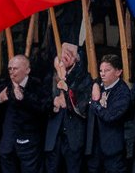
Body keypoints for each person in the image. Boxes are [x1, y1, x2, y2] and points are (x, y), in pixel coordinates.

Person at [0, 54, 52, 173]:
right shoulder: (6, 85)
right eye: (10, 68)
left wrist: (24, 98)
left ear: (27, 70)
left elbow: (44, 108)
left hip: (29, 142)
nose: (12, 72)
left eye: (15, 68)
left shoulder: (38, 85)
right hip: (8, 144)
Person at [45, 44, 90, 173]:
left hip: (73, 136)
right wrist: (53, 103)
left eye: (70, 53)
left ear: (77, 58)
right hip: (54, 136)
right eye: (63, 52)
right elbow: (41, 101)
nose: (66, 55)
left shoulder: (83, 78)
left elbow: (82, 105)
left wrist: (67, 86)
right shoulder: (51, 78)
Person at [83, 56, 129, 173]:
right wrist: (95, 85)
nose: (102, 74)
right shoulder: (98, 85)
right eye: (101, 70)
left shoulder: (123, 91)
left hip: (113, 149)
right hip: (94, 148)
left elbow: (110, 116)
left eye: (107, 70)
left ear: (118, 72)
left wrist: (95, 103)